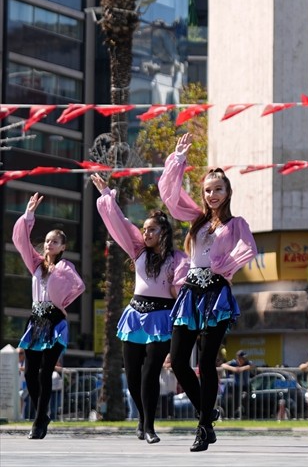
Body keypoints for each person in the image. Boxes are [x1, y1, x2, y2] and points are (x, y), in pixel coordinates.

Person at [160, 132, 258, 452]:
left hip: (216, 293)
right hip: (190, 292)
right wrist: (177, 160)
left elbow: (248, 248)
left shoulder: (236, 223)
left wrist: (223, 266)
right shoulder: (196, 220)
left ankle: (203, 427)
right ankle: (206, 411)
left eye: (218, 189)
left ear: (228, 191)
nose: (212, 194)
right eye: (207, 190)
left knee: (206, 360)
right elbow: (171, 198)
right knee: (177, 361)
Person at [94, 174, 189, 443]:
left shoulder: (177, 258)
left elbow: (180, 286)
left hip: (161, 318)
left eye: (152, 230)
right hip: (135, 316)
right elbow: (121, 224)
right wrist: (106, 195)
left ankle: (149, 426)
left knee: (150, 372)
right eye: (145, 229)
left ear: (164, 233)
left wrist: (178, 286)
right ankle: (140, 418)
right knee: (133, 375)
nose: (145, 233)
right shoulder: (138, 250)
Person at [12, 191, 85, 439]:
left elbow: (78, 285)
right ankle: (42, 414)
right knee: (30, 371)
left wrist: (60, 303)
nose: (48, 244)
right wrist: (29, 213)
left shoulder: (65, 267)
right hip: (35, 320)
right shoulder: (36, 264)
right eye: (46, 241)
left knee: (45, 371)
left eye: (54, 242)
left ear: (63, 246)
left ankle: (38, 422)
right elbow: (21, 240)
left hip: (55, 320)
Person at [160, 355, 178, 421]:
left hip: (171, 388)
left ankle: (171, 415)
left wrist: (168, 366)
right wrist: (165, 366)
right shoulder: (162, 367)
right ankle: (163, 416)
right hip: (163, 389)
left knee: (170, 402)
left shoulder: (173, 366)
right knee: (163, 403)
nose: (168, 359)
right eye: (168, 358)